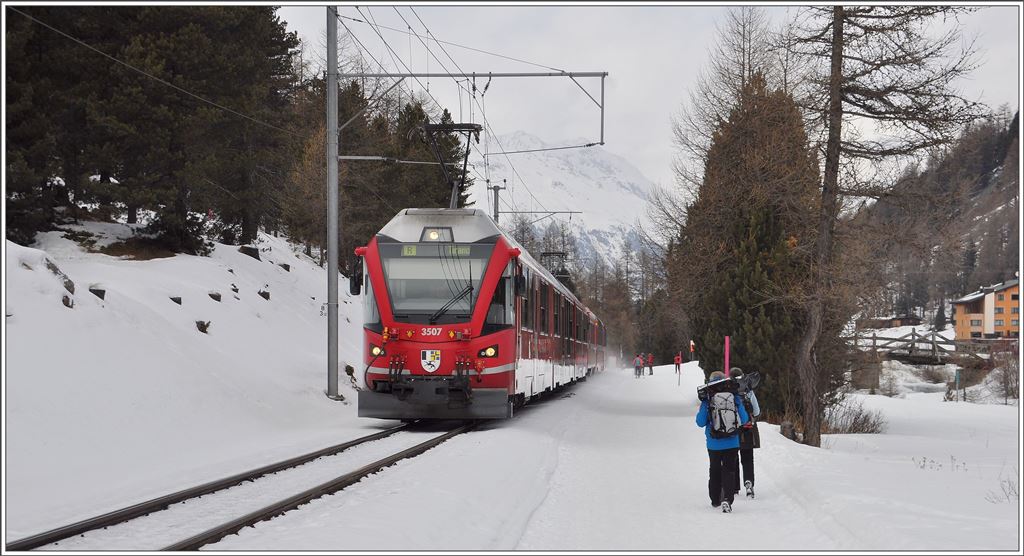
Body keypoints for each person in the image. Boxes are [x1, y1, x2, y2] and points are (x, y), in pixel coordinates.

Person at [696, 370, 750, 513]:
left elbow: (700, 422)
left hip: (713, 444)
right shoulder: (734, 398)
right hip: (732, 442)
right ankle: (727, 499)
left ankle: (715, 500)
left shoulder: (708, 399)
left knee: (714, 470)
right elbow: (744, 420)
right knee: (729, 471)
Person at [730, 367, 761, 499]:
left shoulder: (729, 390)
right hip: (748, 428)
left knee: (733, 458)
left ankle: (734, 487)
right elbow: (757, 411)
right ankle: (749, 483)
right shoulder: (749, 391)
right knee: (748, 458)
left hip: (732, 430)